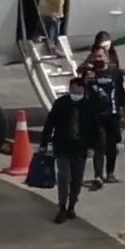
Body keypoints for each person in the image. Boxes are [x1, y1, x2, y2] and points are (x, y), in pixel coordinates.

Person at [39, 77, 100, 223]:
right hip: (62, 146)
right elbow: (50, 123)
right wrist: (44, 142)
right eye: (72, 88)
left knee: (77, 179)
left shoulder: (88, 106)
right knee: (64, 177)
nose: (75, 92)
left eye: (78, 89)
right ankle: (62, 207)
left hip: (80, 148)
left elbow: (95, 128)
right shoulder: (61, 103)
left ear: (82, 90)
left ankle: (72, 205)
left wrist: (93, 146)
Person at [82, 46, 125, 189]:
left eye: (100, 56)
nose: (97, 59)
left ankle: (110, 173)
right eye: (95, 57)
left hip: (113, 114)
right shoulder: (89, 73)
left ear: (106, 58)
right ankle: (98, 175)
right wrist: (86, 80)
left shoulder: (114, 72)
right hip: (96, 116)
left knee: (112, 146)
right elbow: (81, 91)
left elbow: (122, 93)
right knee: (99, 145)